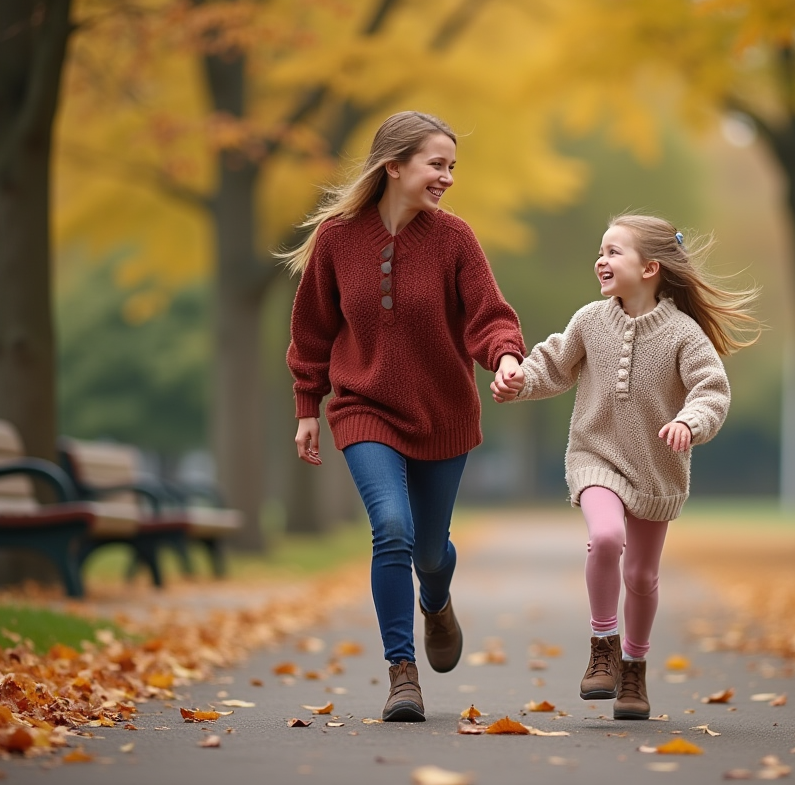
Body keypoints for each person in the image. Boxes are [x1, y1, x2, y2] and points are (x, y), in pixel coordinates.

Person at [281, 111, 525, 723]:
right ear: (394, 166)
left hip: (443, 412)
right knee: (392, 527)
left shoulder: (455, 239)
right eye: (436, 165)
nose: (447, 177)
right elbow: (312, 329)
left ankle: (436, 600)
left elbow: (488, 314)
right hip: (364, 406)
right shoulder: (338, 239)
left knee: (430, 552)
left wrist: (506, 357)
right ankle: (402, 673)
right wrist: (308, 407)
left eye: (451, 167)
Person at [491, 214, 759, 720]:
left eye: (614, 251)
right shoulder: (591, 319)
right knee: (607, 538)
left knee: (642, 574)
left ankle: (633, 669)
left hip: (656, 469)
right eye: (601, 250)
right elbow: (553, 362)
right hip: (594, 454)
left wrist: (690, 421)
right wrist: (518, 379)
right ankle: (602, 645)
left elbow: (712, 390)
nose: (602, 259)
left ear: (650, 267)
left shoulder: (684, 333)